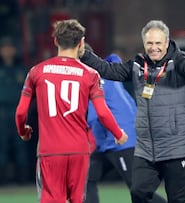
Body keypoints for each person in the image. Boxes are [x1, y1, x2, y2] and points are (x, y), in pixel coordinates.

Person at [80, 20, 185, 203]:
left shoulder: (178, 62)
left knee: (176, 199)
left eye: (158, 43)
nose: (154, 48)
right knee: (138, 192)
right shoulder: (137, 66)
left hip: (174, 146)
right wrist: (83, 54)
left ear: (167, 42)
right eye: (150, 43)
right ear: (144, 44)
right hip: (146, 148)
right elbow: (108, 69)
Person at [14, 19, 128, 203]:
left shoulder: (37, 71)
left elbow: (20, 112)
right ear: (81, 43)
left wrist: (23, 131)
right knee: (77, 199)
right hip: (79, 151)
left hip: (50, 152)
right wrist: (118, 133)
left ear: (56, 41)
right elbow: (103, 112)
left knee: (51, 199)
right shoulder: (90, 74)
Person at [85, 53, 167, 203]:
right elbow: (114, 56)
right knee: (86, 177)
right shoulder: (110, 72)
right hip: (113, 142)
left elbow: (91, 117)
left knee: (139, 191)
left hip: (122, 142)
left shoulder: (93, 83)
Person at [0, 36, 29, 184]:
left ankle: (23, 179)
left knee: (20, 146)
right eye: (5, 48)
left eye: (10, 48)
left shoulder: (21, 69)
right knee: (2, 146)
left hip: (19, 112)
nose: (7, 51)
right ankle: (3, 180)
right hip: (2, 112)